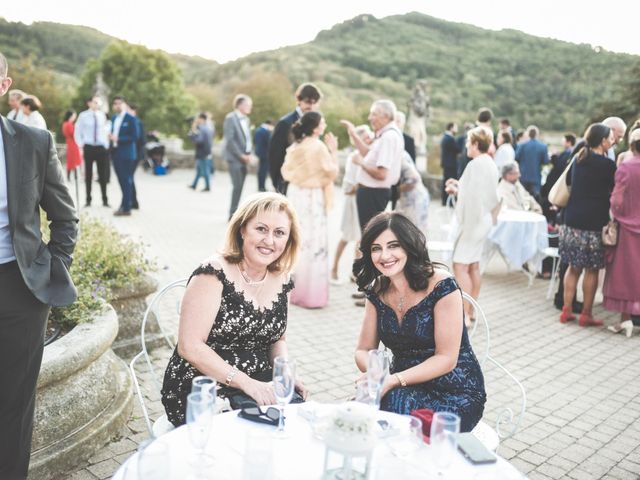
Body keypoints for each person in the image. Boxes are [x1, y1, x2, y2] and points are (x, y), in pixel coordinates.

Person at [161, 192, 307, 426]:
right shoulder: (213, 273)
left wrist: (284, 372)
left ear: (288, 240)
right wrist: (247, 384)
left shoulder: (282, 278)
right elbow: (189, 347)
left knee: (297, 422)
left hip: (259, 378)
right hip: (203, 383)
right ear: (242, 230)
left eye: (279, 233)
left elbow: (278, 340)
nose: (269, 241)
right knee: (254, 430)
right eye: (261, 229)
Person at [0, 52, 79, 479]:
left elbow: (64, 216)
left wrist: (53, 266)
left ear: (4, 86)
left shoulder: (33, 142)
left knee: (14, 405)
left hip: (19, 286)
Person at [353, 212, 486, 432]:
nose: (384, 255)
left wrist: (393, 380)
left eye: (393, 246)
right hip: (400, 386)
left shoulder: (441, 285)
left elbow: (446, 359)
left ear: (408, 246)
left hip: (455, 392)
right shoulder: (377, 290)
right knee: (359, 415)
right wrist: (378, 374)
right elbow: (363, 350)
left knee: (378, 416)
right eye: (376, 248)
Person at [559, 123, 616, 326]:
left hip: (572, 219)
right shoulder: (608, 165)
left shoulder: (579, 159)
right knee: (591, 269)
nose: (612, 141)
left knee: (573, 267)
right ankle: (586, 314)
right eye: (610, 138)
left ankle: (566, 310)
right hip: (594, 222)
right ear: (602, 141)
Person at [281, 112, 339, 308]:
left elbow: (285, 171)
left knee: (297, 239)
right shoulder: (318, 146)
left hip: (296, 193)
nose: (324, 125)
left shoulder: (295, 146)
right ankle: (310, 294)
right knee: (314, 243)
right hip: (312, 196)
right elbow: (331, 172)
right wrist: (334, 151)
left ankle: (293, 290)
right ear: (315, 127)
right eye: (322, 122)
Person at [445, 126, 500, 321]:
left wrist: (465, 225)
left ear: (476, 144)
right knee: (473, 265)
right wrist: (458, 188)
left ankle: (463, 314)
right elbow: (484, 194)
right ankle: (471, 310)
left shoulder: (475, 164)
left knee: (460, 266)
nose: (466, 145)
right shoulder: (489, 163)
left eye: (469, 142)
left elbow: (474, 199)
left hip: (473, 222)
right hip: (482, 220)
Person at [341, 99, 403, 232]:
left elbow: (381, 174)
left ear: (385, 116)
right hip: (372, 193)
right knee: (368, 236)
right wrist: (353, 134)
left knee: (369, 237)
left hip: (373, 194)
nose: (370, 118)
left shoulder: (388, 137)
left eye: (373, 114)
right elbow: (368, 154)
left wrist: (361, 163)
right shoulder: (386, 135)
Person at [604, 128, 640, 337]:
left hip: (627, 228)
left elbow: (616, 200)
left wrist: (619, 215)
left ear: (632, 145)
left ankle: (625, 319)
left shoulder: (626, 167)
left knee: (626, 274)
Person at [331, 125, 372, 283]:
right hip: (352, 201)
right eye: (366, 136)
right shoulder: (354, 157)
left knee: (360, 239)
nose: (370, 138)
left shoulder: (368, 156)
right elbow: (349, 184)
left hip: (362, 199)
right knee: (347, 236)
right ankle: (334, 268)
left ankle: (356, 272)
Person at [268, 83, 322, 194]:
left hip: (308, 184)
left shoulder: (317, 123)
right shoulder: (285, 123)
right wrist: (278, 185)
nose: (311, 106)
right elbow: (275, 157)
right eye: (308, 102)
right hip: (288, 183)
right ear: (298, 99)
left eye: (314, 102)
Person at [74, 95, 111, 207]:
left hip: (101, 147)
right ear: (89, 103)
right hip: (89, 147)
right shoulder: (83, 115)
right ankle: (88, 199)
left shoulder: (102, 115)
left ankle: (105, 200)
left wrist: (106, 144)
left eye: (98, 102)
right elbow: (77, 131)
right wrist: (81, 144)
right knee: (88, 174)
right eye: (94, 102)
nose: (97, 104)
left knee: (103, 174)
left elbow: (105, 131)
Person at [223, 94, 253, 219]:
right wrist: (241, 155)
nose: (250, 108)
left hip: (245, 158)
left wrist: (249, 153)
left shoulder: (246, 119)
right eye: (248, 105)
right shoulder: (230, 118)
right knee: (237, 186)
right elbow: (230, 140)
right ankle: (232, 215)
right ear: (240, 105)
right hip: (234, 158)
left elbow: (247, 138)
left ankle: (236, 213)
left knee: (240, 186)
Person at [109, 95, 140, 216]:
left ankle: (127, 208)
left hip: (127, 154)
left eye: (119, 103)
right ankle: (123, 204)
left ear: (124, 104)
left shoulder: (130, 118)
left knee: (126, 180)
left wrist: (118, 138)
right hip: (116, 153)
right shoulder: (114, 118)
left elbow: (134, 136)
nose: (117, 105)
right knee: (121, 181)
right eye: (115, 103)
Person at [396, 151, 430, 234]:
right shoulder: (401, 154)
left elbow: (414, 179)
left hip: (414, 200)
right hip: (412, 198)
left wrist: (395, 190)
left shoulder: (400, 157)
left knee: (413, 231)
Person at [515, 125, 549, 198]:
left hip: (523, 176)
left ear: (528, 134)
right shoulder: (543, 146)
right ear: (537, 134)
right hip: (536, 177)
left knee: (522, 198)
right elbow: (546, 161)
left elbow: (516, 158)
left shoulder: (522, 145)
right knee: (535, 199)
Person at [188, 112, 214, 192]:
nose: (196, 120)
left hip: (202, 152)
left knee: (205, 170)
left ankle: (207, 187)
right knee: (199, 170)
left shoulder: (201, 128)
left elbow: (199, 140)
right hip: (207, 152)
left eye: (198, 118)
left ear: (201, 119)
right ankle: (194, 185)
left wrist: (191, 135)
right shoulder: (209, 127)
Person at [128, 104, 145, 209]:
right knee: (130, 177)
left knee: (129, 177)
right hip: (135, 154)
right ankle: (133, 201)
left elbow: (140, 140)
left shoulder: (137, 122)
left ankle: (133, 201)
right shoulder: (134, 121)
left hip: (135, 155)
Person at [440, 122, 460, 205]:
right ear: (451, 128)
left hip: (446, 164)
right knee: (449, 183)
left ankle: (445, 201)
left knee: (446, 181)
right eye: (455, 127)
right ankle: (448, 201)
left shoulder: (445, 137)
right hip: (450, 164)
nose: (457, 129)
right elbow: (457, 149)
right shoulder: (450, 138)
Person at [62, 110, 82, 179]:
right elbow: (73, 134)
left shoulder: (65, 124)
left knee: (71, 160)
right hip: (73, 143)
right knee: (74, 160)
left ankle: (70, 176)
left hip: (70, 142)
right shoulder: (69, 124)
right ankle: (74, 176)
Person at [253, 119, 273, 191]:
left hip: (259, 152)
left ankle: (260, 186)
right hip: (265, 154)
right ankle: (262, 187)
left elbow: (254, 141)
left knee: (260, 170)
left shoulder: (258, 130)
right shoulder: (265, 131)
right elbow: (269, 142)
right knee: (263, 171)